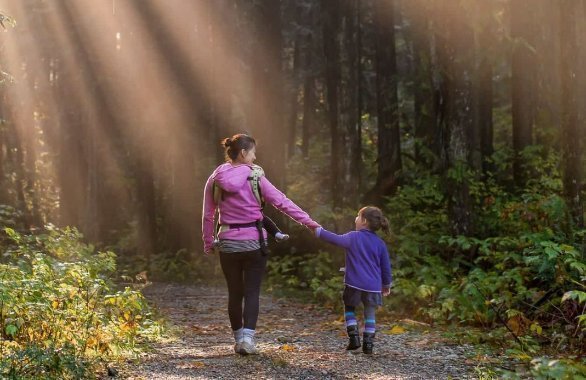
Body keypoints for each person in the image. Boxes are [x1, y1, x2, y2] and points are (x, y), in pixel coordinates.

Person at [202, 134, 320, 355]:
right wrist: (309, 223)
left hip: (227, 242)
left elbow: (208, 214)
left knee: (235, 293)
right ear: (244, 153)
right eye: (253, 152)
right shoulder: (255, 177)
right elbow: (282, 202)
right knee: (252, 291)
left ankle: (238, 341)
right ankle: (248, 340)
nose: (255, 157)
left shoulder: (215, 177)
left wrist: (208, 241)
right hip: (254, 243)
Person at [314, 206, 392, 354]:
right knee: (370, 313)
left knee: (349, 308)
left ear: (363, 221)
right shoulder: (380, 244)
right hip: (373, 286)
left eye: (357, 216)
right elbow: (386, 267)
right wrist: (386, 285)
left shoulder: (353, 237)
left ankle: (354, 338)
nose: (355, 219)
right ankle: (368, 344)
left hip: (354, 284)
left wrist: (319, 231)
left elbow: (335, 239)